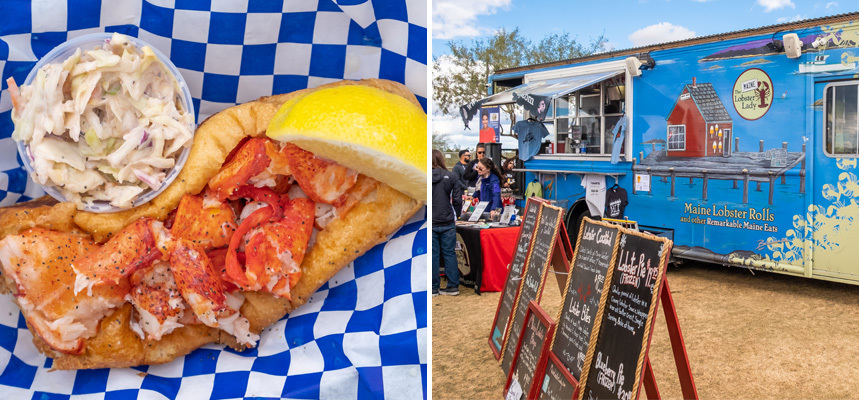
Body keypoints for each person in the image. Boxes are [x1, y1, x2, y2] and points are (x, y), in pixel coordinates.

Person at [432, 149, 463, 297]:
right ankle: (453, 286)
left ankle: (433, 287)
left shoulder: (424, 177)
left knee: (433, 255)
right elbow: (457, 200)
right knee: (450, 253)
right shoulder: (451, 176)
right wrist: (457, 214)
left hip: (431, 221)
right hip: (448, 220)